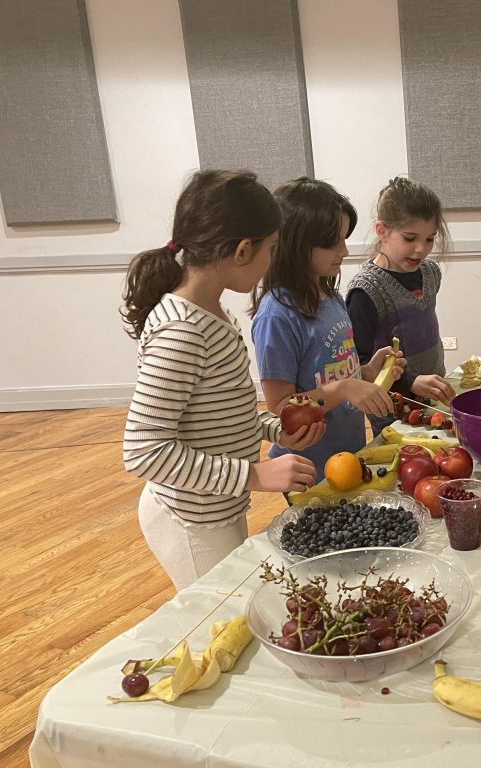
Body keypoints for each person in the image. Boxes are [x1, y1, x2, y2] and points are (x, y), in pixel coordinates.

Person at [121, 170, 318, 590]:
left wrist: (274, 428)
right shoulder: (182, 332)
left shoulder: (211, 314)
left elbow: (219, 414)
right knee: (218, 630)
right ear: (243, 250)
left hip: (217, 509)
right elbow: (143, 451)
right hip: (192, 522)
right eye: (272, 247)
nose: (272, 258)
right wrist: (255, 476)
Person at [251, 178, 405, 482]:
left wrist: (367, 372)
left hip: (348, 454)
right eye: (332, 242)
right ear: (296, 243)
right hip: (307, 469)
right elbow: (280, 406)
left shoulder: (332, 298)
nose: (344, 251)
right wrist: (344, 388)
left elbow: (331, 372)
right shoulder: (277, 315)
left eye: (344, 239)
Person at [346, 177, 456, 435]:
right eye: (410, 238)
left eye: (430, 239)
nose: (421, 249)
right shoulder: (365, 292)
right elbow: (359, 365)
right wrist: (410, 382)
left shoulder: (430, 273)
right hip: (392, 409)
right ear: (382, 231)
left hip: (433, 396)